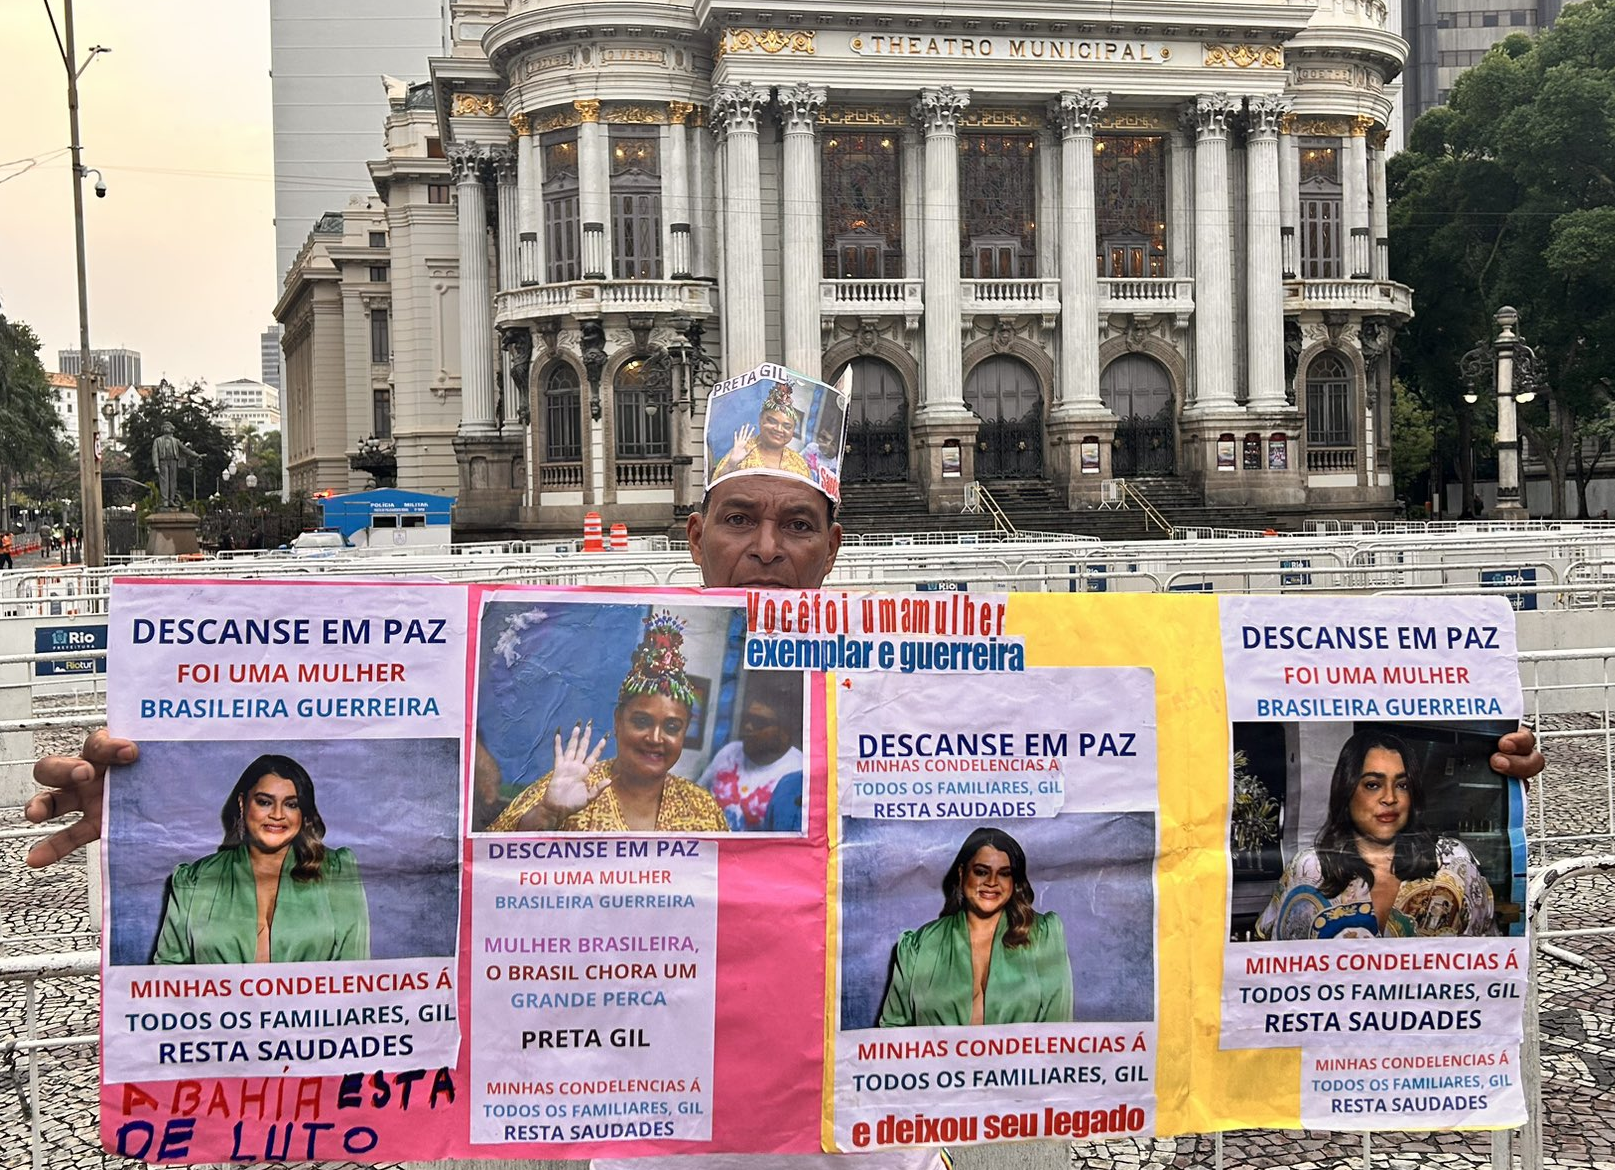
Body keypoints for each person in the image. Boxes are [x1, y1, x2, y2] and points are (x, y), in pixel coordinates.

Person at [488, 610, 728, 833]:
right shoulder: (568, 787)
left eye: (672, 727)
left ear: (684, 733)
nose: (655, 738)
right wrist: (547, 815)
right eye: (642, 721)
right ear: (618, 722)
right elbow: (486, 862)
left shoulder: (702, 808)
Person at [1254, 730, 1496, 940]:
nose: (1390, 798)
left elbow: (1490, 961)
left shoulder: (1454, 863)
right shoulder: (1309, 868)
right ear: (1346, 790)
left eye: (1402, 785)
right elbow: (1278, 969)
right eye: (1373, 784)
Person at [152, 753, 370, 964]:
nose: (277, 814)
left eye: (291, 804)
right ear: (242, 803)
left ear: (302, 813)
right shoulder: (195, 880)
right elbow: (168, 976)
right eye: (264, 802)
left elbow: (355, 973)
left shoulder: (336, 871)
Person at [878, 826, 1073, 1028]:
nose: (991, 882)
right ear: (962, 874)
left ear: (1014, 881)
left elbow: (1057, 1034)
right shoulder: (919, 946)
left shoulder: (1044, 935)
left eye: (1004, 873)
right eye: (981, 871)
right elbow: (892, 1033)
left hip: (1023, 1061)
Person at [697, 675, 804, 831]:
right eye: (747, 719)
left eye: (759, 723)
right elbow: (694, 799)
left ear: (785, 731)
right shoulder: (729, 753)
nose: (748, 727)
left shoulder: (798, 774)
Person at [713, 379, 813, 481]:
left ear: (793, 430)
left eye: (786, 426)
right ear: (760, 419)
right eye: (772, 421)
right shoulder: (742, 452)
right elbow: (717, 491)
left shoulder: (799, 463)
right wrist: (731, 464)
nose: (779, 429)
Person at [152, 421, 202, 510]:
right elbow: (155, 454)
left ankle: (171, 499)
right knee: (164, 481)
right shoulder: (157, 441)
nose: (166, 428)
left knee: (173, 481)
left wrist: (196, 455)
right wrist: (156, 466)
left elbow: (185, 449)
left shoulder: (175, 441)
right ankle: (165, 501)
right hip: (163, 462)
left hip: (173, 461)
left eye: (168, 426)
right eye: (165, 426)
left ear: (172, 429)